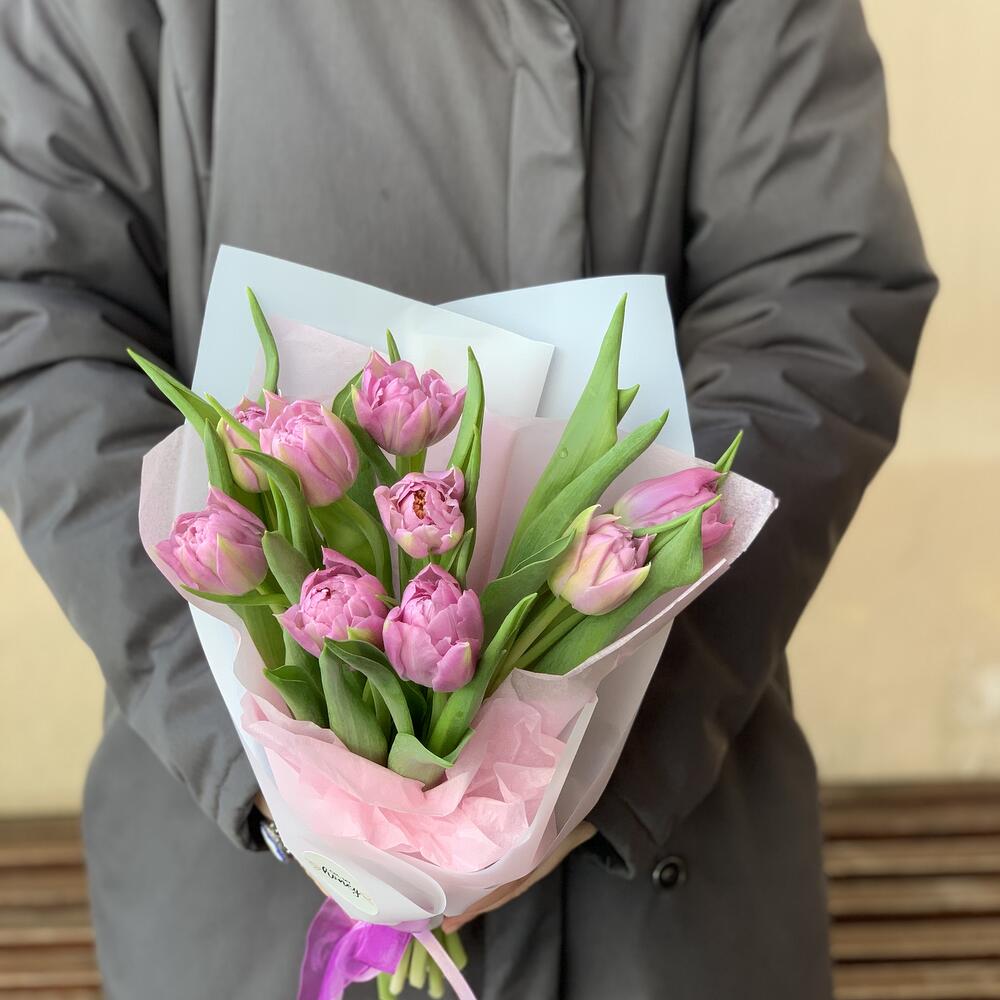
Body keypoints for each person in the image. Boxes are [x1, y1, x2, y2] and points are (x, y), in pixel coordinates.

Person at [0, 2, 935, 998]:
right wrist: (275, 737)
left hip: (657, 866)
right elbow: (37, 315)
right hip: (241, 875)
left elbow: (817, 292)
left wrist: (596, 732)